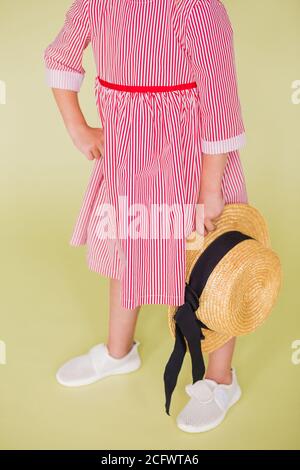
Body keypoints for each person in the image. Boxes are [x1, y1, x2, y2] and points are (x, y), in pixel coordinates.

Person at [44, 0, 248, 432]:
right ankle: (119, 351)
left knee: (208, 267)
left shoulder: (198, 8)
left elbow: (220, 101)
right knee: (125, 250)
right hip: (128, 157)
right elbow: (60, 56)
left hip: (190, 159)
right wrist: (78, 128)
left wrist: (209, 188)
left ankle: (220, 378)